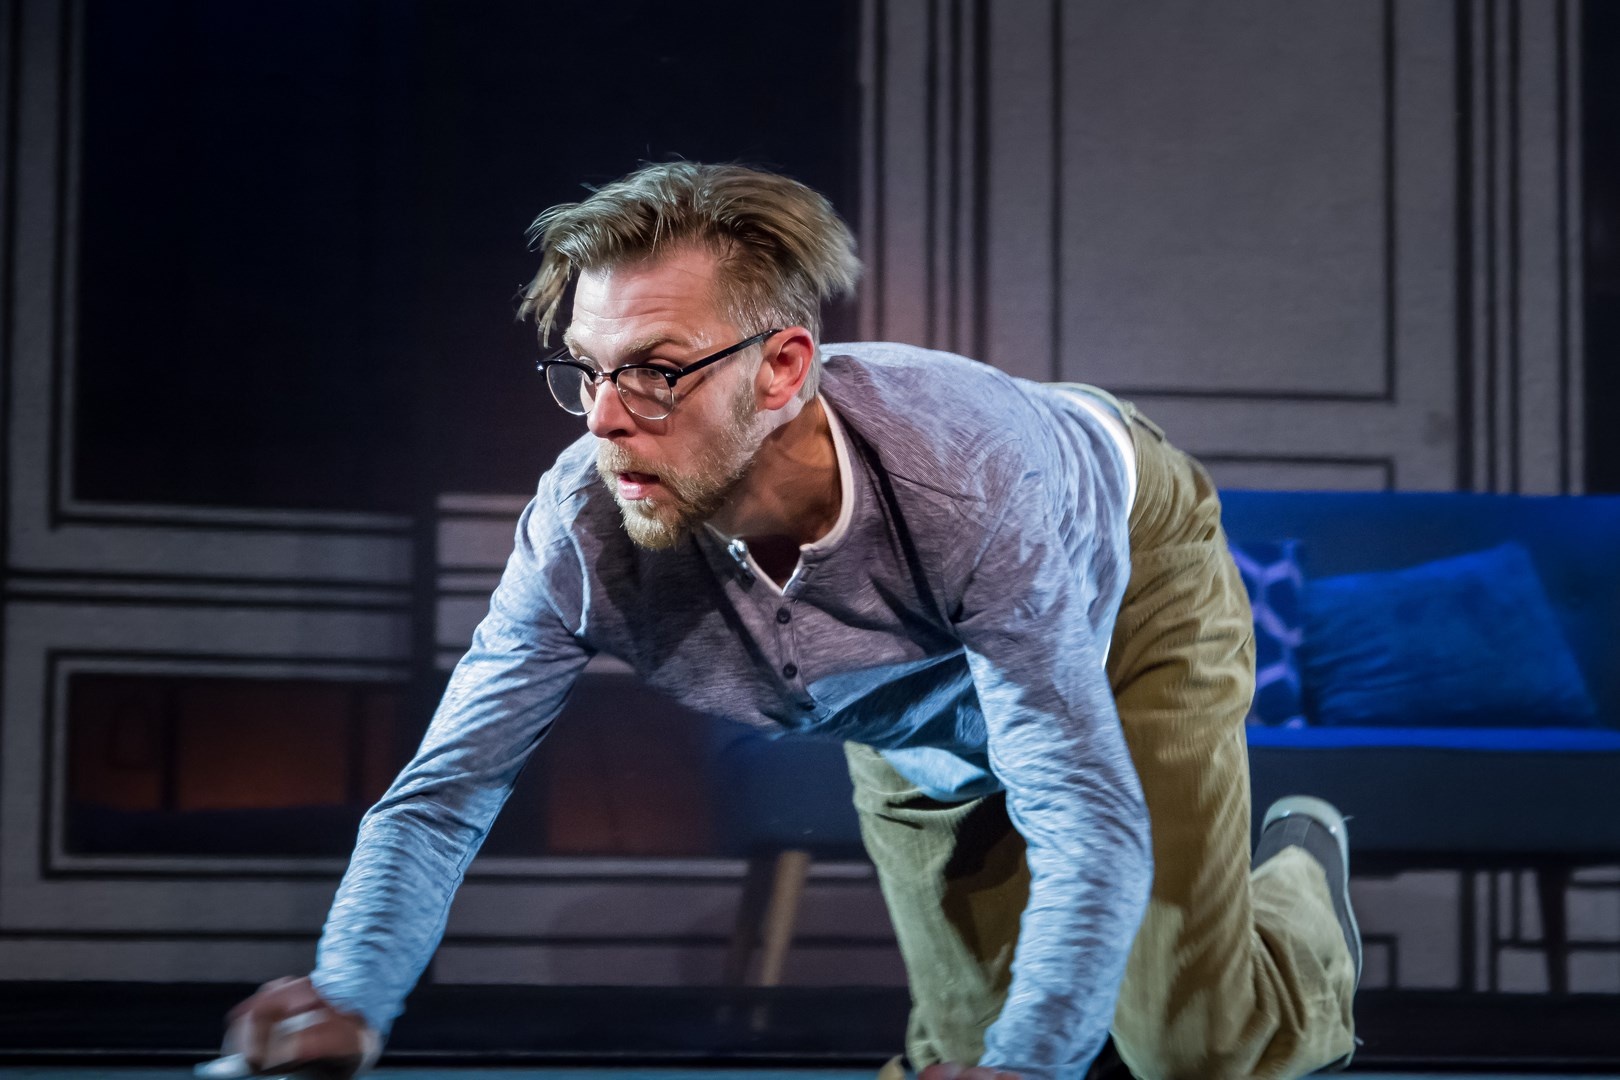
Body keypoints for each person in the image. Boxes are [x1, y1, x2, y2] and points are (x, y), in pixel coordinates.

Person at [220, 162, 1360, 1080]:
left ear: (781, 370)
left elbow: (1079, 810)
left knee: (1191, 1048)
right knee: (957, 1054)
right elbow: (447, 793)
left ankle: (1298, 881)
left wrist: (1032, 1064)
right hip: (910, 702)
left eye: (656, 372)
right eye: (586, 372)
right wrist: (349, 995)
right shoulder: (582, 530)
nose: (606, 421)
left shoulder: (969, 486)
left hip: (1124, 588)